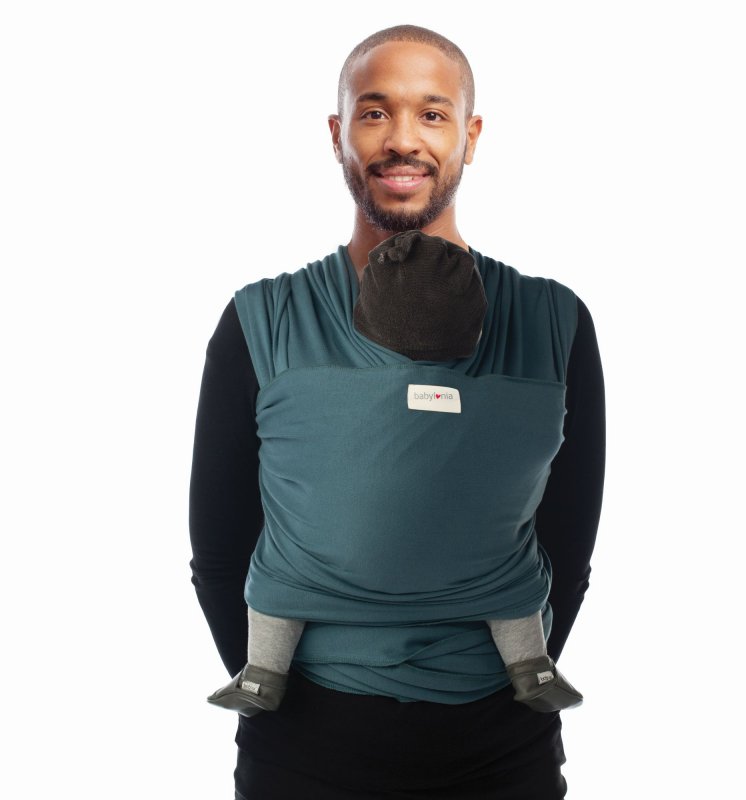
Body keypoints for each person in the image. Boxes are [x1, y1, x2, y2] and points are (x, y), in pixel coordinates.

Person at [189, 24, 605, 800]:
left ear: (470, 136)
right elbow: (220, 550)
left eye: (433, 114)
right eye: (375, 113)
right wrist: (288, 700)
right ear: (337, 134)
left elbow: (568, 552)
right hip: (304, 754)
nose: (403, 141)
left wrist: (501, 680)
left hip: (503, 753)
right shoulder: (261, 322)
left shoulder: (553, 324)